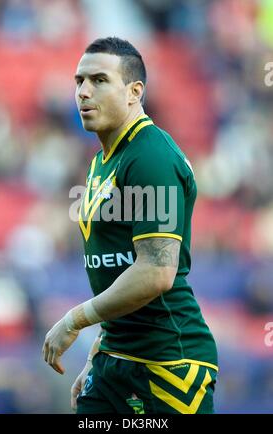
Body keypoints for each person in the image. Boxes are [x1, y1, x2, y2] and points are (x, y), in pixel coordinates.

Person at [42, 36, 218, 414]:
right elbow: (118, 269)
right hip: (116, 355)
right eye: (79, 81)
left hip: (167, 364)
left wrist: (74, 321)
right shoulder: (101, 161)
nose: (84, 92)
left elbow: (156, 272)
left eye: (100, 80)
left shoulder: (151, 156)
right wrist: (98, 352)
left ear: (134, 91)